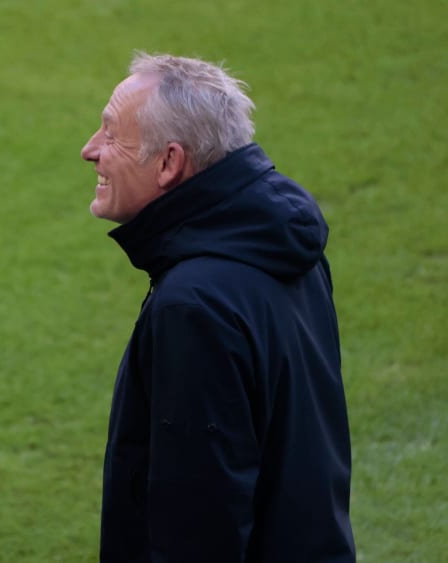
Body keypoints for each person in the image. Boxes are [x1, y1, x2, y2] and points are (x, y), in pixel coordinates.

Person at [80, 52, 355, 562]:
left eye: (113, 134)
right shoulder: (288, 249)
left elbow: (198, 524)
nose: (90, 150)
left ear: (169, 163)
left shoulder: (193, 307)